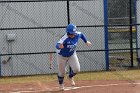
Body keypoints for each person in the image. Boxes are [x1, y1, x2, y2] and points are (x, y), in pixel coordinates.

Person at [55, 23, 92, 90]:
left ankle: (70, 76)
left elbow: (82, 34)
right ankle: (61, 84)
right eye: (71, 33)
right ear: (68, 32)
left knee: (77, 69)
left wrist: (86, 41)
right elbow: (57, 45)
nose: (73, 35)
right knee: (62, 72)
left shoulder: (77, 34)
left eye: (74, 33)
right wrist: (59, 46)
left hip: (72, 54)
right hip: (61, 56)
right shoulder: (65, 38)